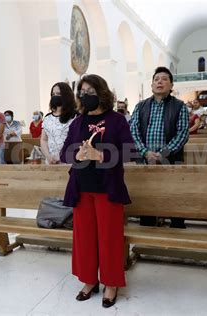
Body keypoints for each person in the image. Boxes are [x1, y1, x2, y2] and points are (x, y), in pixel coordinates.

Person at [60, 74, 134, 308]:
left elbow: (130, 152)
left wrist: (100, 155)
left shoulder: (116, 120)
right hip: (81, 188)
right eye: (82, 92)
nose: (85, 95)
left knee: (109, 239)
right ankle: (89, 280)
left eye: (90, 91)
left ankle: (111, 283)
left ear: (101, 93)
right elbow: (64, 153)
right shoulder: (78, 122)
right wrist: (77, 154)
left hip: (107, 188)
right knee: (85, 239)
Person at [130, 66, 189, 228]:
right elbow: (133, 130)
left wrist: (163, 154)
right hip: (145, 160)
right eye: (156, 79)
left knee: (173, 196)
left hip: (171, 160)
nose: (159, 82)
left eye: (164, 79)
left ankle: (176, 230)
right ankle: (147, 232)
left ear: (171, 85)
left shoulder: (180, 106)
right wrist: (145, 152)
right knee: (147, 197)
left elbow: (182, 134)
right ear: (151, 85)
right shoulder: (140, 106)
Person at [41, 82, 77, 164]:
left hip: (69, 161)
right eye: (53, 94)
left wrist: (62, 156)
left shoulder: (75, 116)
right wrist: (48, 156)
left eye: (58, 94)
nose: (55, 96)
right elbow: (44, 139)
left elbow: (77, 141)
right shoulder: (47, 118)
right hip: (51, 161)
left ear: (67, 95)